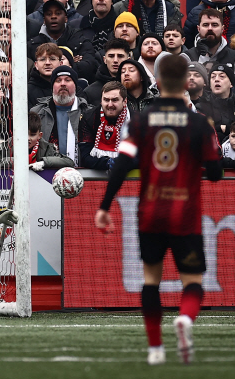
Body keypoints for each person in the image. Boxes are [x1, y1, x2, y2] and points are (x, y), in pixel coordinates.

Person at [94, 54, 222, 366]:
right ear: (186, 83)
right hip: (186, 217)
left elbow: (122, 165)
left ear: (158, 82)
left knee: (151, 280)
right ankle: (186, 320)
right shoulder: (199, 124)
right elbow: (217, 172)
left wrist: (105, 206)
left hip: (150, 213)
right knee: (193, 282)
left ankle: (155, 349)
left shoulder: (140, 121)